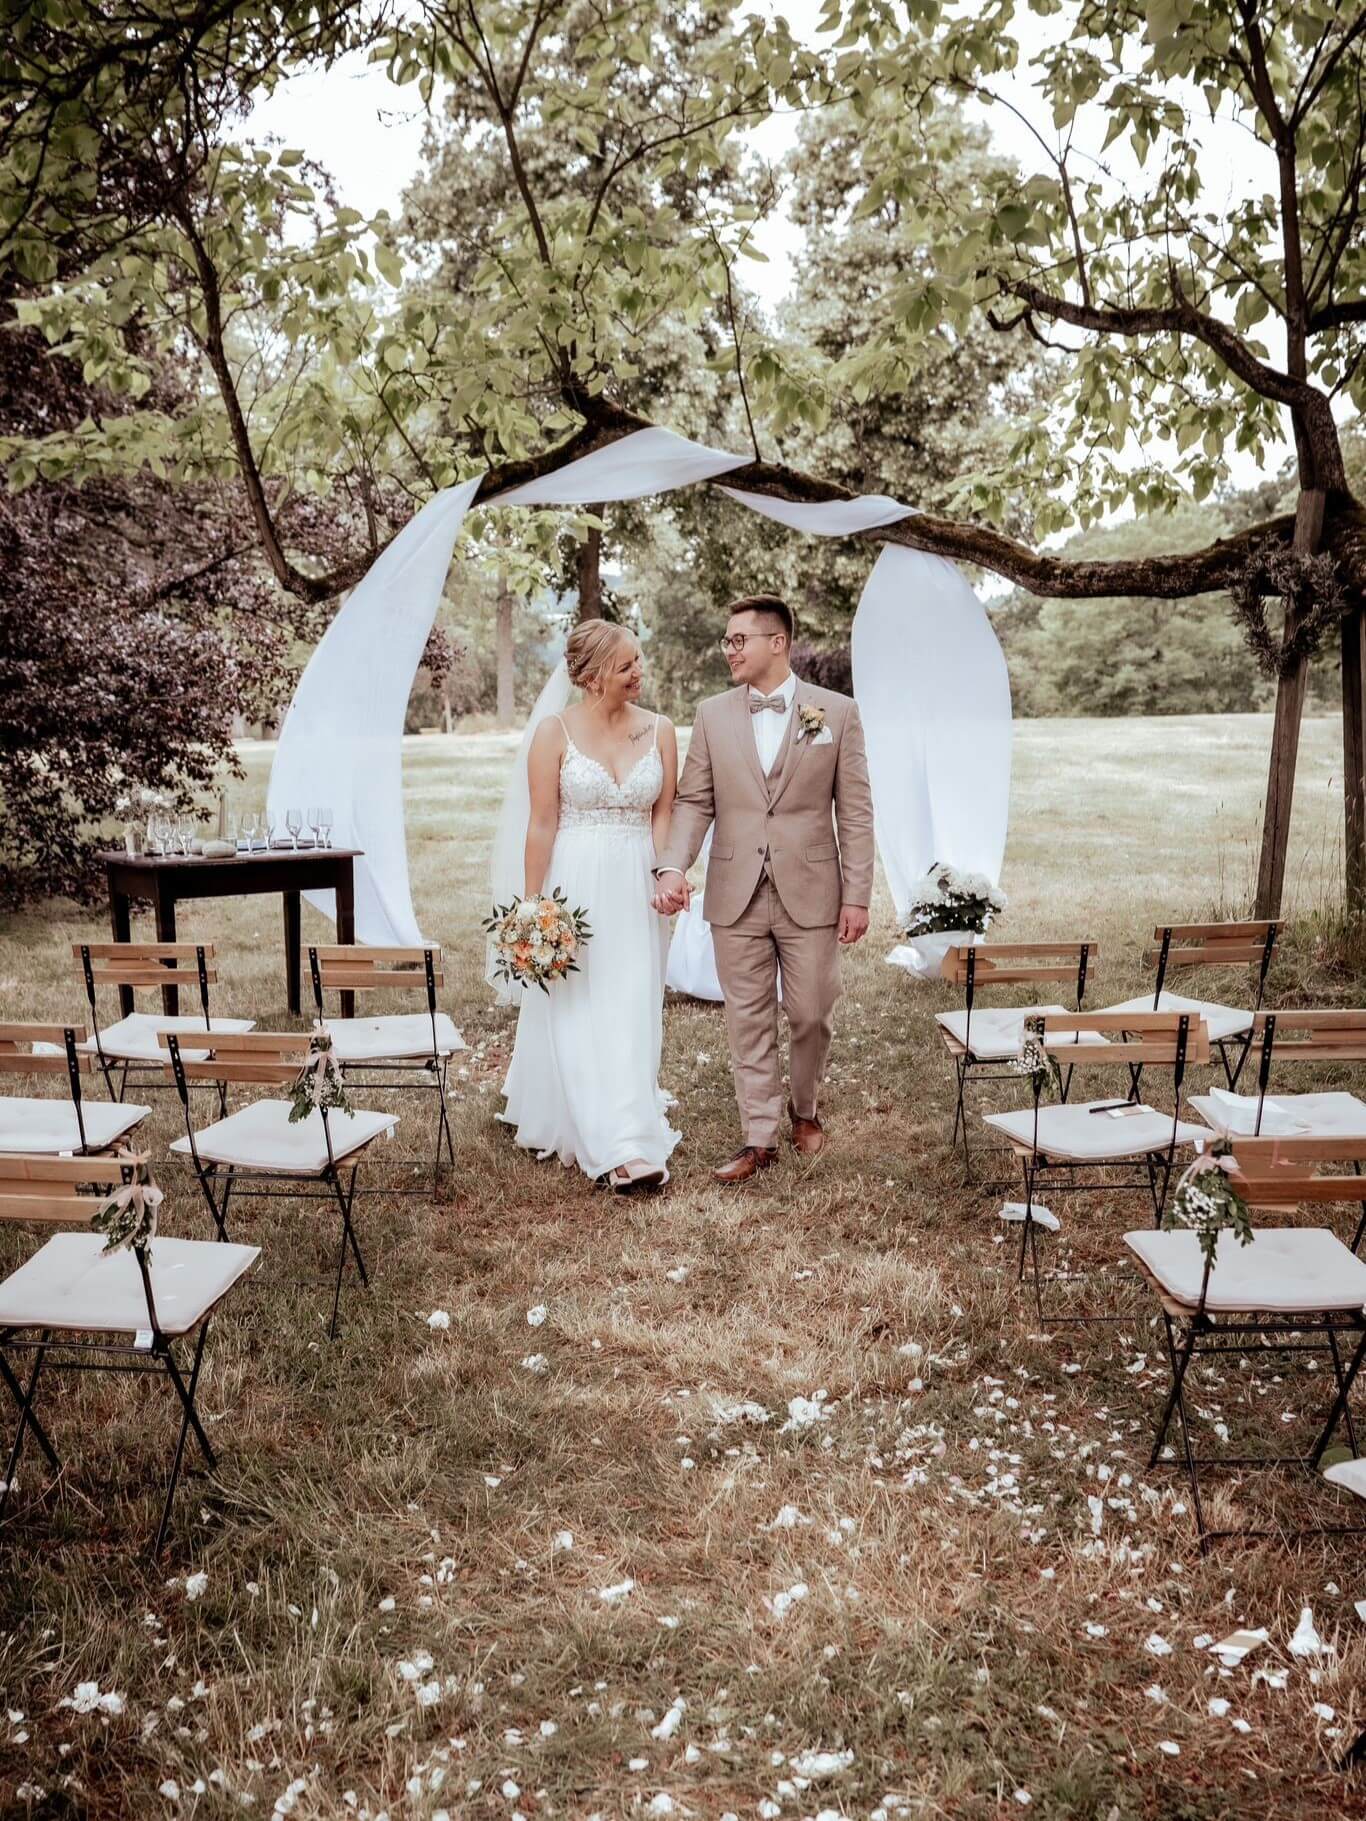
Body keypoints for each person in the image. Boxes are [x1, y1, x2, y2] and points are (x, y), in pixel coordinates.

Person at [652, 593, 875, 1183]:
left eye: (738, 640)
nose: (729, 650)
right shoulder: (712, 715)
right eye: (726, 640)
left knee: (811, 1012)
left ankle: (806, 1110)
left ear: (777, 643)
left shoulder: (837, 713)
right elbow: (694, 801)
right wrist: (672, 867)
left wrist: (856, 895)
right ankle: (759, 1138)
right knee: (746, 1016)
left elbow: (855, 813)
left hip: (813, 891)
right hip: (735, 889)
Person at [497, 621, 681, 1190]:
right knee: (579, 1002)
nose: (639, 672)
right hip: (575, 882)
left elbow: (664, 814)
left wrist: (665, 872)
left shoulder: (660, 729)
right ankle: (616, 1145)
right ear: (595, 676)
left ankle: (630, 1112)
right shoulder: (554, 733)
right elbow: (541, 824)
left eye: (638, 660)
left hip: (637, 883)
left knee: (632, 999)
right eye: (627, 665)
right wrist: (532, 910)